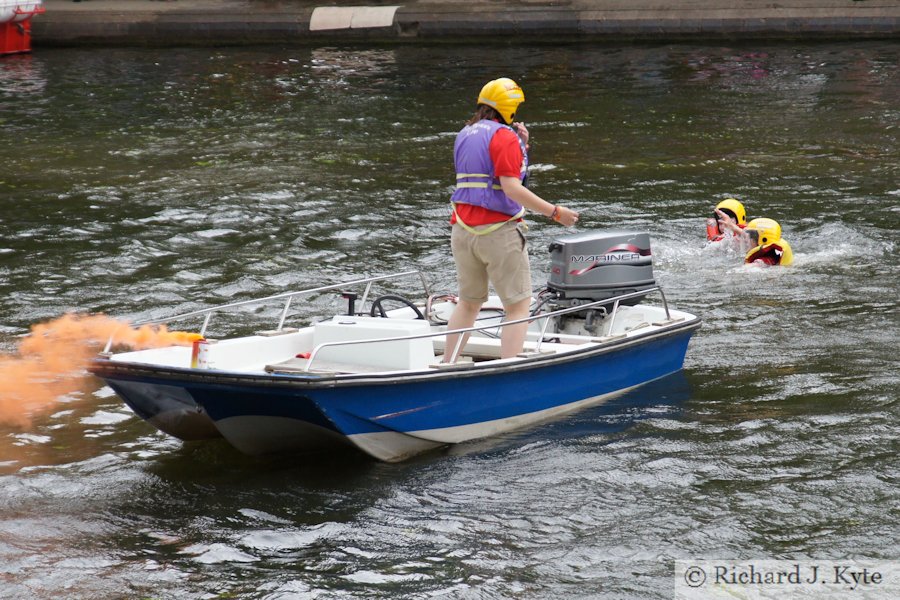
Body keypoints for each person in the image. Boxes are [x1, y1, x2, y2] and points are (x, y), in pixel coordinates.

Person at [443, 77, 579, 362]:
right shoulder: (505, 137)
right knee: (518, 306)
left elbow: (486, 172)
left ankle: (446, 363)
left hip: (462, 231)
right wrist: (556, 212)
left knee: (468, 303)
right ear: (509, 109)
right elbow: (511, 188)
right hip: (497, 234)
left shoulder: (464, 133)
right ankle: (509, 370)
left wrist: (522, 149)